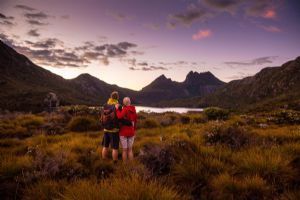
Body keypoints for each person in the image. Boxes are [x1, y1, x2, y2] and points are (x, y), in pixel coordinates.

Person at [100, 91, 120, 163]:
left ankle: (103, 160)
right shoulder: (117, 106)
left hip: (105, 129)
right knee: (115, 148)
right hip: (114, 130)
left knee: (105, 146)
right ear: (117, 97)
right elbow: (120, 117)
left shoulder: (105, 105)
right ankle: (115, 163)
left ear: (111, 97)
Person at [116, 97, 137, 161]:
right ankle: (131, 165)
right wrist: (134, 131)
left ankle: (125, 166)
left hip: (123, 132)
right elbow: (135, 122)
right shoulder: (134, 110)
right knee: (130, 150)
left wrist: (117, 109)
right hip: (131, 132)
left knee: (124, 150)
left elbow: (119, 117)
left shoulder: (125, 109)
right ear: (130, 102)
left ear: (124, 103)